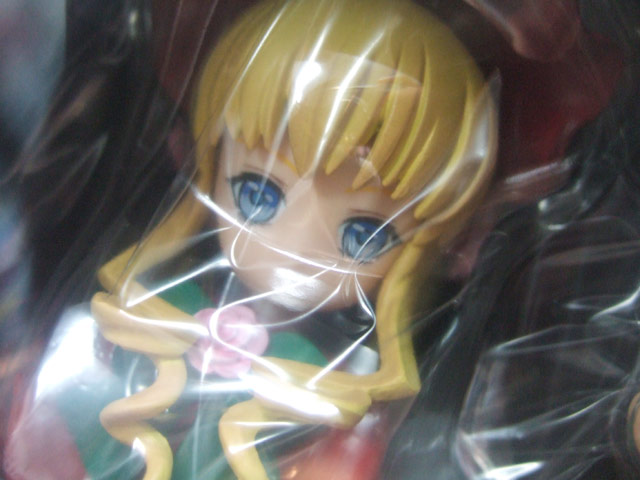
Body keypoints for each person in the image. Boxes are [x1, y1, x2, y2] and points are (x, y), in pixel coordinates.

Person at [89, 0, 497, 479]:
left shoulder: (331, 379)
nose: (299, 250)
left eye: (363, 235)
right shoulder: (162, 307)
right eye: (257, 195)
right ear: (209, 165)